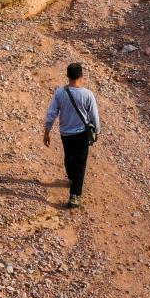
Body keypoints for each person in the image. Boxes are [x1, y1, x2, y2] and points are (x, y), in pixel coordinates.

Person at [43, 62, 100, 209]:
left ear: (67, 76)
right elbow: (94, 116)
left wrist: (47, 131)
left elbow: (51, 113)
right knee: (80, 164)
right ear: (81, 76)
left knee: (69, 157)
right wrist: (97, 132)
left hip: (65, 134)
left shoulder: (60, 92)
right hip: (82, 134)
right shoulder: (88, 94)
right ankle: (75, 195)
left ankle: (72, 179)